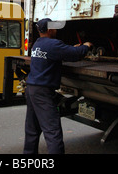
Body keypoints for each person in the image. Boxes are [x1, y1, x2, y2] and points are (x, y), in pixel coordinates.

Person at [23, 18, 92, 154]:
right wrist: (86, 46)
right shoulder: (53, 44)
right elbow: (75, 55)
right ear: (50, 30)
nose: (56, 30)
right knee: (53, 132)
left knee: (32, 130)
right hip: (43, 92)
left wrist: (72, 48)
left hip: (31, 89)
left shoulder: (38, 44)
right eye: (55, 28)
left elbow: (62, 51)